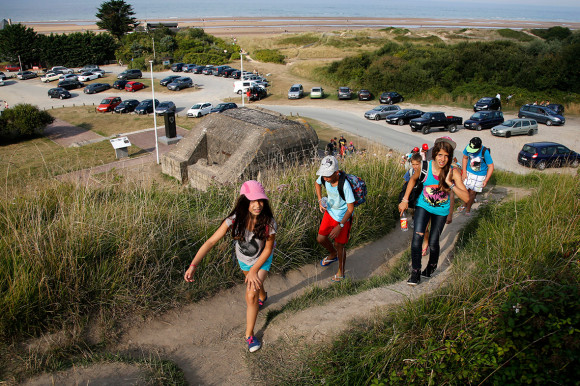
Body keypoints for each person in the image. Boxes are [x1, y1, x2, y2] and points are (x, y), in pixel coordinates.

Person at [184, 180, 277, 353]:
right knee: (256, 286)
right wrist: (193, 265)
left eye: (261, 200)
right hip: (244, 260)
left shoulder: (268, 222)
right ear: (244, 201)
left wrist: (255, 270)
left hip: (262, 259)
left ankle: (249, 335)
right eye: (253, 200)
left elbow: (268, 249)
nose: (258, 205)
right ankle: (263, 295)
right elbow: (211, 241)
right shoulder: (233, 221)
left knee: (250, 295)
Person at [398, 137, 469, 286]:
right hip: (423, 205)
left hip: (441, 210)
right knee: (417, 237)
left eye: (446, 155)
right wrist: (405, 200)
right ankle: (415, 272)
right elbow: (412, 180)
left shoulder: (453, 172)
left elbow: (467, 198)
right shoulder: (425, 167)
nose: (443, 159)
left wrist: (450, 184)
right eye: (440, 155)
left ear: (449, 157)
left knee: (433, 242)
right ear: (434, 154)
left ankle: (431, 266)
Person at [315, 155, 355, 282]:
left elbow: (350, 209)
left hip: (343, 218)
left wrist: (340, 226)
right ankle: (333, 254)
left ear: (337, 173)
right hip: (330, 213)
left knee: (340, 245)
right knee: (321, 238)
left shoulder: (345, 185)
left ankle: (341, 272)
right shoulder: (324, 178)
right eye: (324, 175)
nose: (325, 178)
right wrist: (320, 200)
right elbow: (317, 183)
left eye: (328, 175)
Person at [460, 137, 494, 216]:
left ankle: (468, 209)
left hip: (480, 175)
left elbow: (491, 166)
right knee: (465, 190)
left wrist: (486, 180)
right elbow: (465, 158)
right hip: (468, 172)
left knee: (472, 192)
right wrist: (464, 172)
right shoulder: (469, 147)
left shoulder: (485, 152)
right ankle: (465, 204)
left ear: (479, 147)